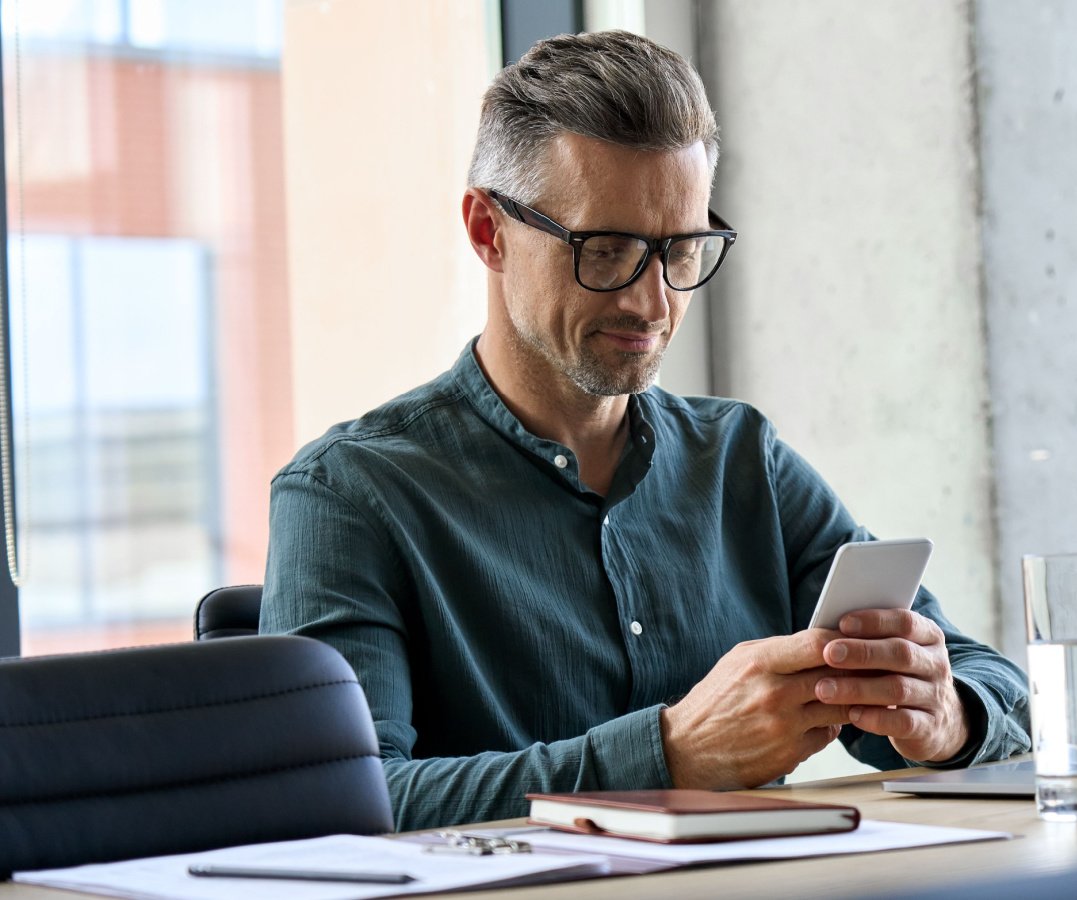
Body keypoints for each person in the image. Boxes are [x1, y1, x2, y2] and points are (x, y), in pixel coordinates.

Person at [261, 30, 1029, 831]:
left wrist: (942, 718)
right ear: (489, 231)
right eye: (609, 249)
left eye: (681, 250)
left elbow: (984, 678)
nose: (652, 302)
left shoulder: (741, 462)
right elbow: (341, 802)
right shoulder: (350, 494)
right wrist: (667, 756)